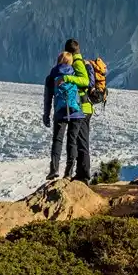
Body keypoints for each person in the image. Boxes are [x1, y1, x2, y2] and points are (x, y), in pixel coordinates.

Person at [59, 38, 93, 182]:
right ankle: (80, 174)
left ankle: (84, 176)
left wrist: (67, 78)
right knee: (79, 142)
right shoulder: (79, 62)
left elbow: (85, 81)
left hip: (84, 109)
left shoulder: (78, 63)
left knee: (82, 142)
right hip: (82, 108)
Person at [42, 52, 78, 179]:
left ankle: (54, 169)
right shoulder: (75, 73)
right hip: (76, 111)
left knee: (57, 140)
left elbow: (48, 98)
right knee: (72, 141)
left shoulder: (52, 76)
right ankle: (69, 173)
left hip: (60, 111)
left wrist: (46, 115)